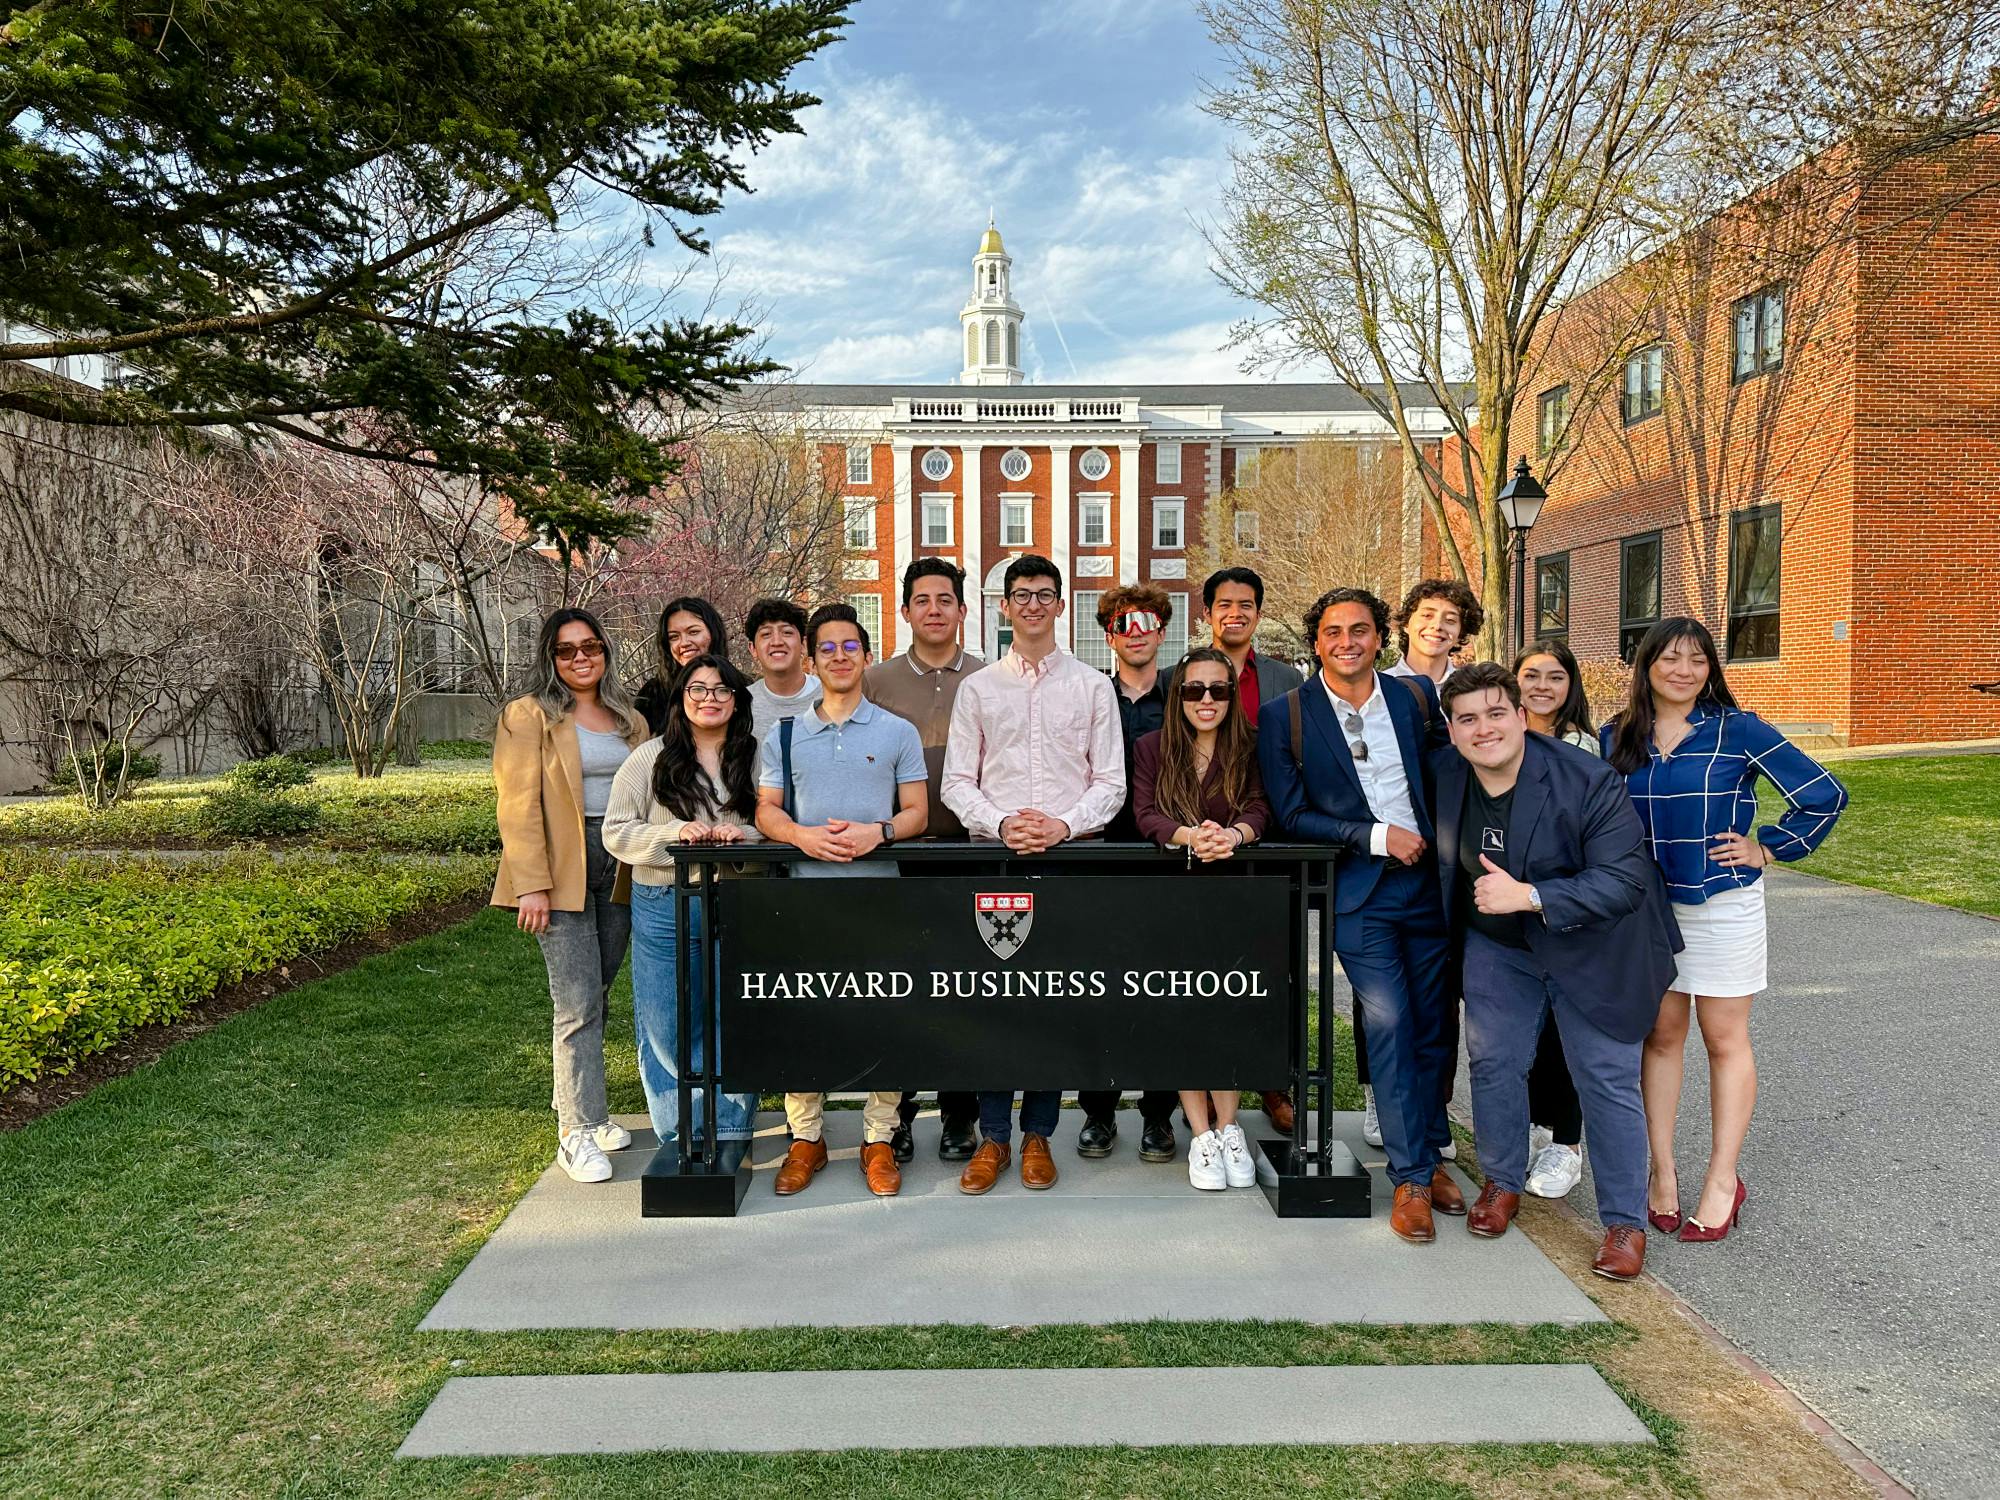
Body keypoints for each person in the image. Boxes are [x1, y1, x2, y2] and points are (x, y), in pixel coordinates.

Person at [1434, 663, 1682, 1281]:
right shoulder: (1444, 774)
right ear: (1452, 732)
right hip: (1499, 946)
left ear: (1522, 716)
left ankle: (1624, 1222)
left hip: (1591, 945)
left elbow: (1625, 880)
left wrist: (1532, 896)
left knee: (1603, 1078)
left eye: (1497, 713)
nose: (1484, 728)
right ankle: (1500, 1180)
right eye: (1468, 719)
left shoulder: (1586, 778)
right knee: (1493, 1063)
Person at [1605, 618, 1847, 1244]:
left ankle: (1721, 1178)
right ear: (1647, 665)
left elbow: (1824, 794)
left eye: (1697, 661)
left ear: (1711, 669)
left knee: (1722, 1039)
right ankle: (1661, 1173)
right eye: (1670, 659)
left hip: (1721, 905)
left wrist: (1768, 848)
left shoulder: (1738, 731)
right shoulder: (1618, 736)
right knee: (1660, 1036)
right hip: (1645, 910)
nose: (1683, 671)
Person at [1257, 586, 1464, 1245]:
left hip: (1430, 886)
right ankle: (1407, 1179)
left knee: (1435, 1026)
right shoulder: (1285, 714)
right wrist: (1377, 836)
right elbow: (1292, 815)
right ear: (1315, 641)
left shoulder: (1413, 699)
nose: (1347, 642)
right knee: (1391, 1024)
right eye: (1333, 632)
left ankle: (1430, 1155)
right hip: (1361, 892)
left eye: (1360, 630)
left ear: (1381, 637)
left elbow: (1444, 778)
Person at [942, 554, 1124, 1195]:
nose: (1033, 605)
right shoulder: (979, 689)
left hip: (1072, 858)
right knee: (995, 998)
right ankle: (993, 1137)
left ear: (1060, 604)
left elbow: (1111, 783)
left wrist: (1062, 827)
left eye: (1045, 595)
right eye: (1021, 595)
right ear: (1003, 605)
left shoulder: (1092, 687)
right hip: (996, 858)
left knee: (1053, 995)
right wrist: (1000, 825)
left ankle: (1039, 1132)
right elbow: (957, 781)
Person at [755, 604, 929, 1199]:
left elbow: (917, 814)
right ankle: (806, 1136)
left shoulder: (897, 731)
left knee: (884, 1017)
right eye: (826, 648)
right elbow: (767, 809)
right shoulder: (784, 733)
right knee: (807, 1017)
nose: (838, 657)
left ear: (866, 655)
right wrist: (800, 836)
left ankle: (879, 1137)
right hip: (807, 901)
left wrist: (875, 834)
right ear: (811, 659)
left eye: (849, 646)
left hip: (880, 899)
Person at [492, 608, 650, 1183]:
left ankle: (588, 1107)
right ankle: (575, 1133)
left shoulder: (630, 719)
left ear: (606, 650)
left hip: (622, 859)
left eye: (591, 646)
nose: (581, 658)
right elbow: (516, 805)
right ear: (550, 658)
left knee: (599, 991)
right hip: (561, 864)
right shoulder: (528, 716)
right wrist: (531, 883)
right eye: (567, 650)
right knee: (577, 1000)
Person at [602, 653, 766, 1150]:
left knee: (732, 1012)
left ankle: (732, 1125)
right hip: (663, 898)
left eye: (721, 690)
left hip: (738, 897)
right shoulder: (649, 758)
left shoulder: (757, 757)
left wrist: (742, 836)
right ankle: (679, 1131)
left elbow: (780, 821)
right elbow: (616, 829)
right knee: (667, 1016)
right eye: (698, 689)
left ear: (737, 700)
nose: (710, 699)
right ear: (681, 700)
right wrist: (674, 835)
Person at [1131, 647, 1271, 1191]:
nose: (1206, 699)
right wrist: (1193, 836)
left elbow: (1261, 808)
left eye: (1218, 689)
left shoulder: (1251, 746)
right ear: (1178, 695)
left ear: (1233, 695)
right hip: (1174, 898)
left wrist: (1233, 835)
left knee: (1229, 1013)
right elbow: (1144, 813)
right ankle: (1201, 1134)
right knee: (1185, 1013)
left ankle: (1230, 1125)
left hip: (1237, 897)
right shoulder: (1150, 748)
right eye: (1194, 689)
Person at [863, 558, 985, 1161]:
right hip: (899, 854)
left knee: (967, 987)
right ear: (905, 611)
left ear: (963, 611)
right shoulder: (876, 681)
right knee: (904, 988)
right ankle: (901, 1114)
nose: (934, 609)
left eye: (945, 599)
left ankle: (961, 1114)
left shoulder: (989, 678)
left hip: (975, 854)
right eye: (922, 600)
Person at [1074, 583, 1180, 1164]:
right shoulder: (1090, 695)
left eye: (1145, 623)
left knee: (1163, 988)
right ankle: (1098, 1110)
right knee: (1099, 988)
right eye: (1121, 624)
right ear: (1107, 633)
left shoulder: (1187, 695)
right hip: (1101, 856)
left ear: (1161, 630)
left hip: (1170, 861)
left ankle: (1159, 1116)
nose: (1134, 633)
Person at [1201, 565, 1306, 1134]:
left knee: (1275, 970)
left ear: (1258, 614)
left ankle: (1274, 1082)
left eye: (1245, 604)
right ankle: (1188, 1088)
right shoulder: (1183, 677)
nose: (1234, 613)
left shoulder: (1285, 679)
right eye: (1224, 604)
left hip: (1267, 842)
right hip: (1198, 847)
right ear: (1208, 615)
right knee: (1198, 970)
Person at [1512, 637, 1598, 1199]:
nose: (1543, 686)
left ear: (1571, 687)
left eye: (1555, 677)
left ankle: (1565, 1144)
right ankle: (1531, 1132)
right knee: (1521, 1032)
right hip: (1507, 907)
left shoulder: (1586, 748)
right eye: (1531, 675)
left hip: (1565, 904)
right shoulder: (1500, 735)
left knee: (1565, 1032)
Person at [635, 596, 731, 735]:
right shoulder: (652, 695)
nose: (684, 643)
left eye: (693, 632)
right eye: (674, 637)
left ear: (713, 633)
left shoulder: (740, 686)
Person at [744, 597, 822, 741]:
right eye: (766, 634)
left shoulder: (829, 698)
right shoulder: (742, 705)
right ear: (753, 648)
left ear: (804, 644)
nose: (777, 642)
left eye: (787, 632)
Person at [1386, 578, 1483, 686]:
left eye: (1450, 620)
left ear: (1460, 634)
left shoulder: (1472, 691)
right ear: (1406, 623)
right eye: (1427, 615)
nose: (1437, 626)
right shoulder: (1378, 687)